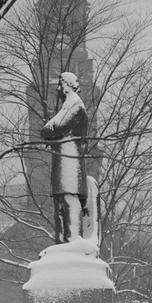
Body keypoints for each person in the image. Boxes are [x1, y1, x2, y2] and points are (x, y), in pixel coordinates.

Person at [41, 71, 89, 244]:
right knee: (59, 205)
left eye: (60, 84)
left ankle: (73, 241)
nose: (58, 88)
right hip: (62, 160)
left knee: (69, 200)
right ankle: (62, 243)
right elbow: (45, 131)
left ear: (68, 86)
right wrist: (50, 130)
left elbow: (58, 127)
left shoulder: (76, 106)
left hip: (70, 161)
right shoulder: (66, 107)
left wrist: (51, 131)